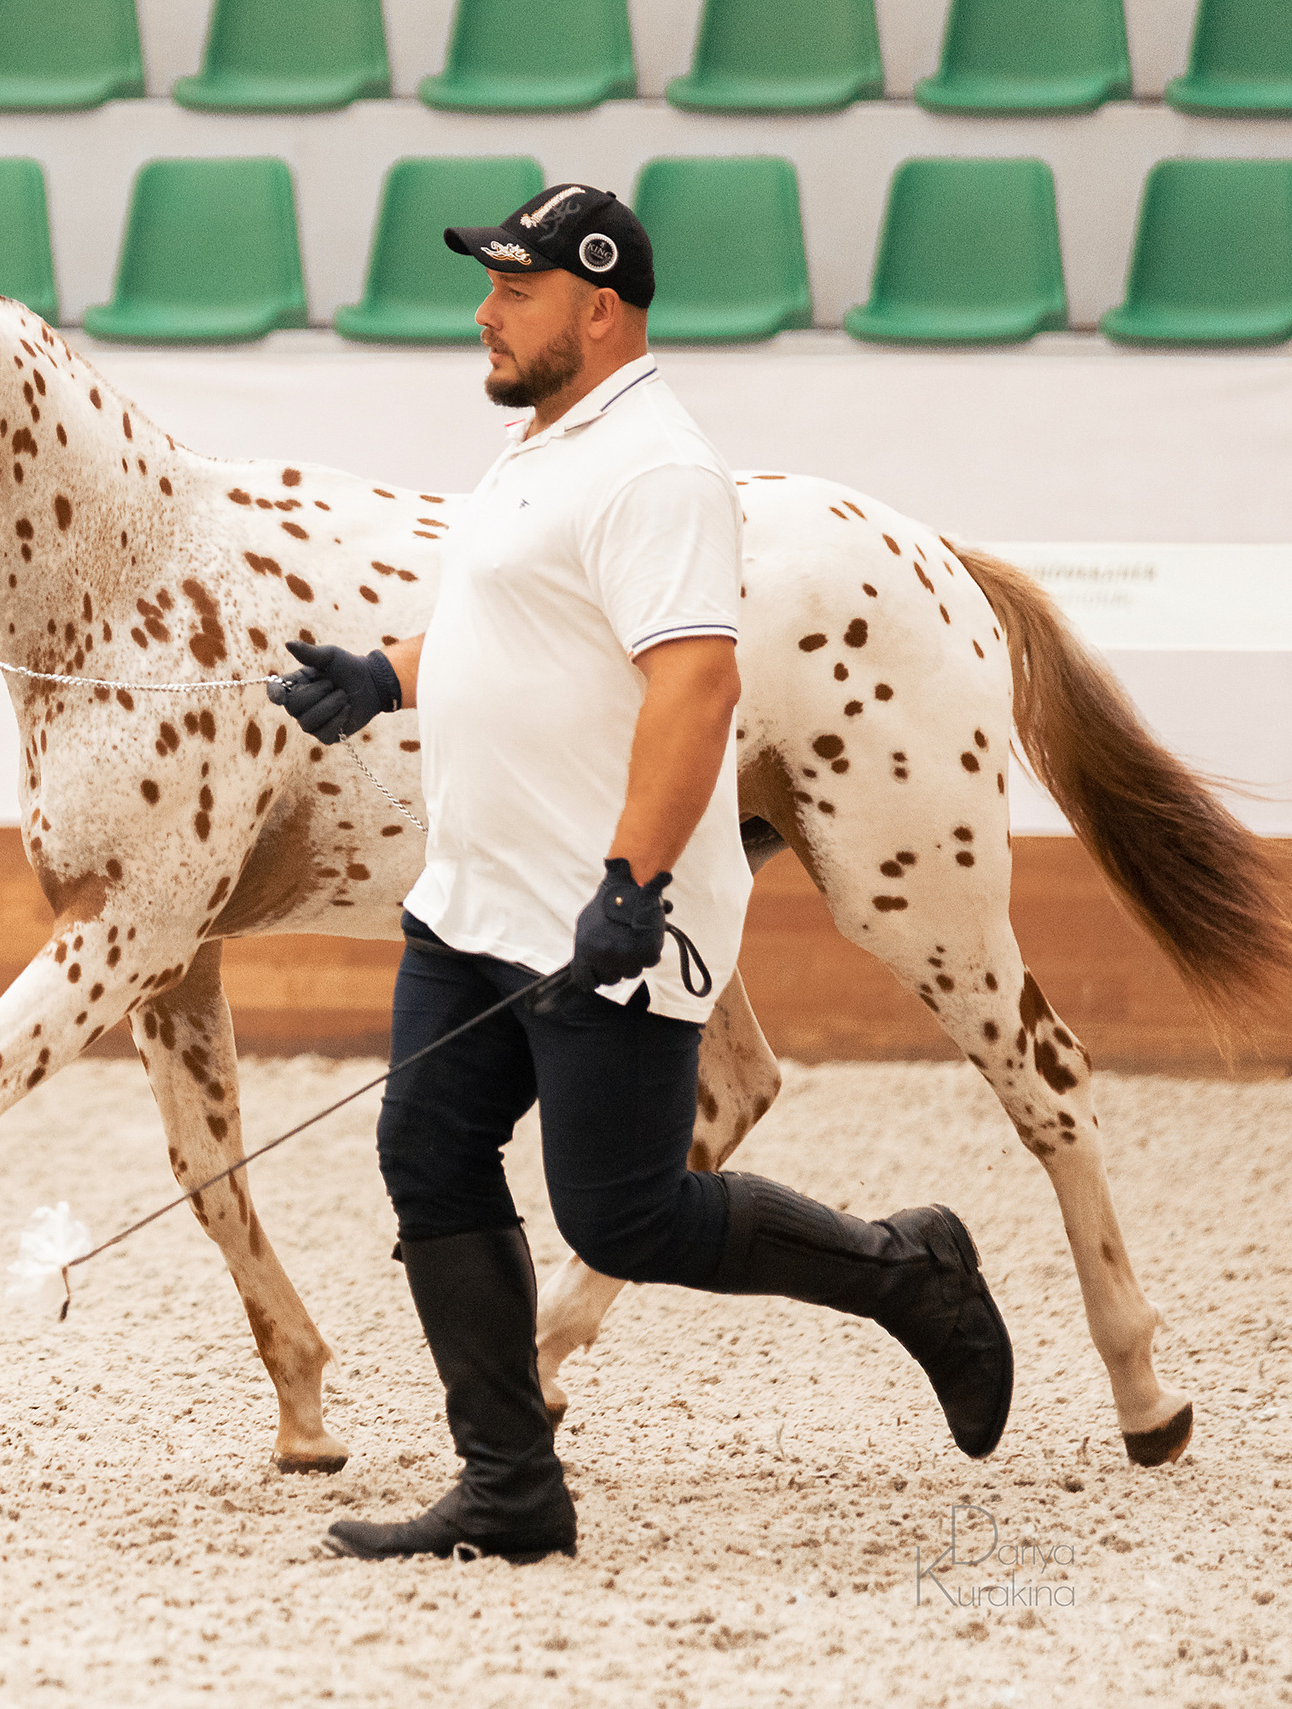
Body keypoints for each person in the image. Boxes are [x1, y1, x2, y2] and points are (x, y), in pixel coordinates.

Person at [268, 184, 1013, 1564]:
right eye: (487, 284)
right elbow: (510, 631)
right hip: (475, 896)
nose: (484, 313)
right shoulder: (540, 445)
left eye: (515, 289)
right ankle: (512, 1487)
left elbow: (695, 682)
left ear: (598, 308)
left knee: (627, 1211)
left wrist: (633, 880)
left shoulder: (656, 468)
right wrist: (382, 675)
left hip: (597, 907)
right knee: (427, 1150)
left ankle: (911, 1272)